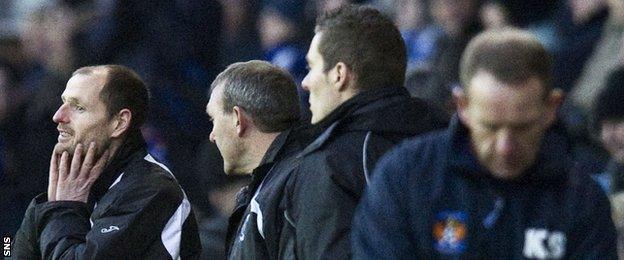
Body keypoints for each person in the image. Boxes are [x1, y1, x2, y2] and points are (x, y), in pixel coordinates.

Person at [352, 28, 618, 259]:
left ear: (551, 108)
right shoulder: (405, 178)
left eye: (521, 127)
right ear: (462, 106)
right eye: (490, 127)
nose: (505, 146)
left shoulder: (581, 200)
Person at [282, 5, 446, 259]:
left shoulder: (330, 163)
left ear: (339, 75)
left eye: (312, 67)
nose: (304, 82)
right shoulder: (448, 143)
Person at [13, 65, 201, 259]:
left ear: (119, 123)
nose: (58, 116)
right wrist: (52, 209)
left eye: (78, 107)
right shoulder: (69, 189)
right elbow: (7, 246)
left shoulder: (151, 190)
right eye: (64, 103)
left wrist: (64, 210)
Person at [205, 60, 314, 259]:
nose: (212, 135)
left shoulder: (293, 187)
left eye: (213, 119)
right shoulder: (276, 185)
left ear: (238, 119)